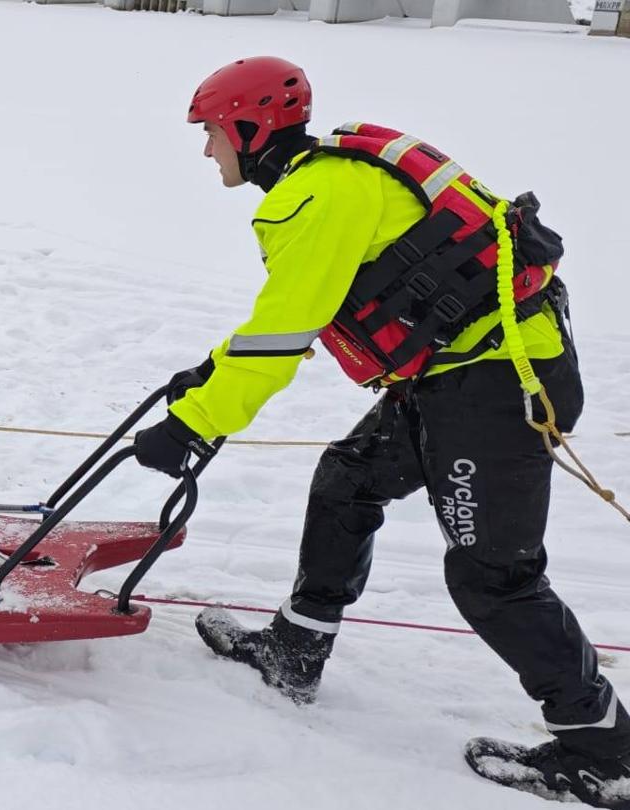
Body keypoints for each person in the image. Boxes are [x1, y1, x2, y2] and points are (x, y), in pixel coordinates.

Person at [143, 56, 626, 806]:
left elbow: (283, 335)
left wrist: (193, 427)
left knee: (494, 578)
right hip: (466, 373)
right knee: (348, 479)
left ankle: (607, 750)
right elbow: (294, 312)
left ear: (249, 127)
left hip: (497, 385)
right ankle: (294, 651)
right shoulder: (334, 173)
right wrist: (210, 374)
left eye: (211, 133)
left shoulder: (316, 196)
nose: (208, 151)